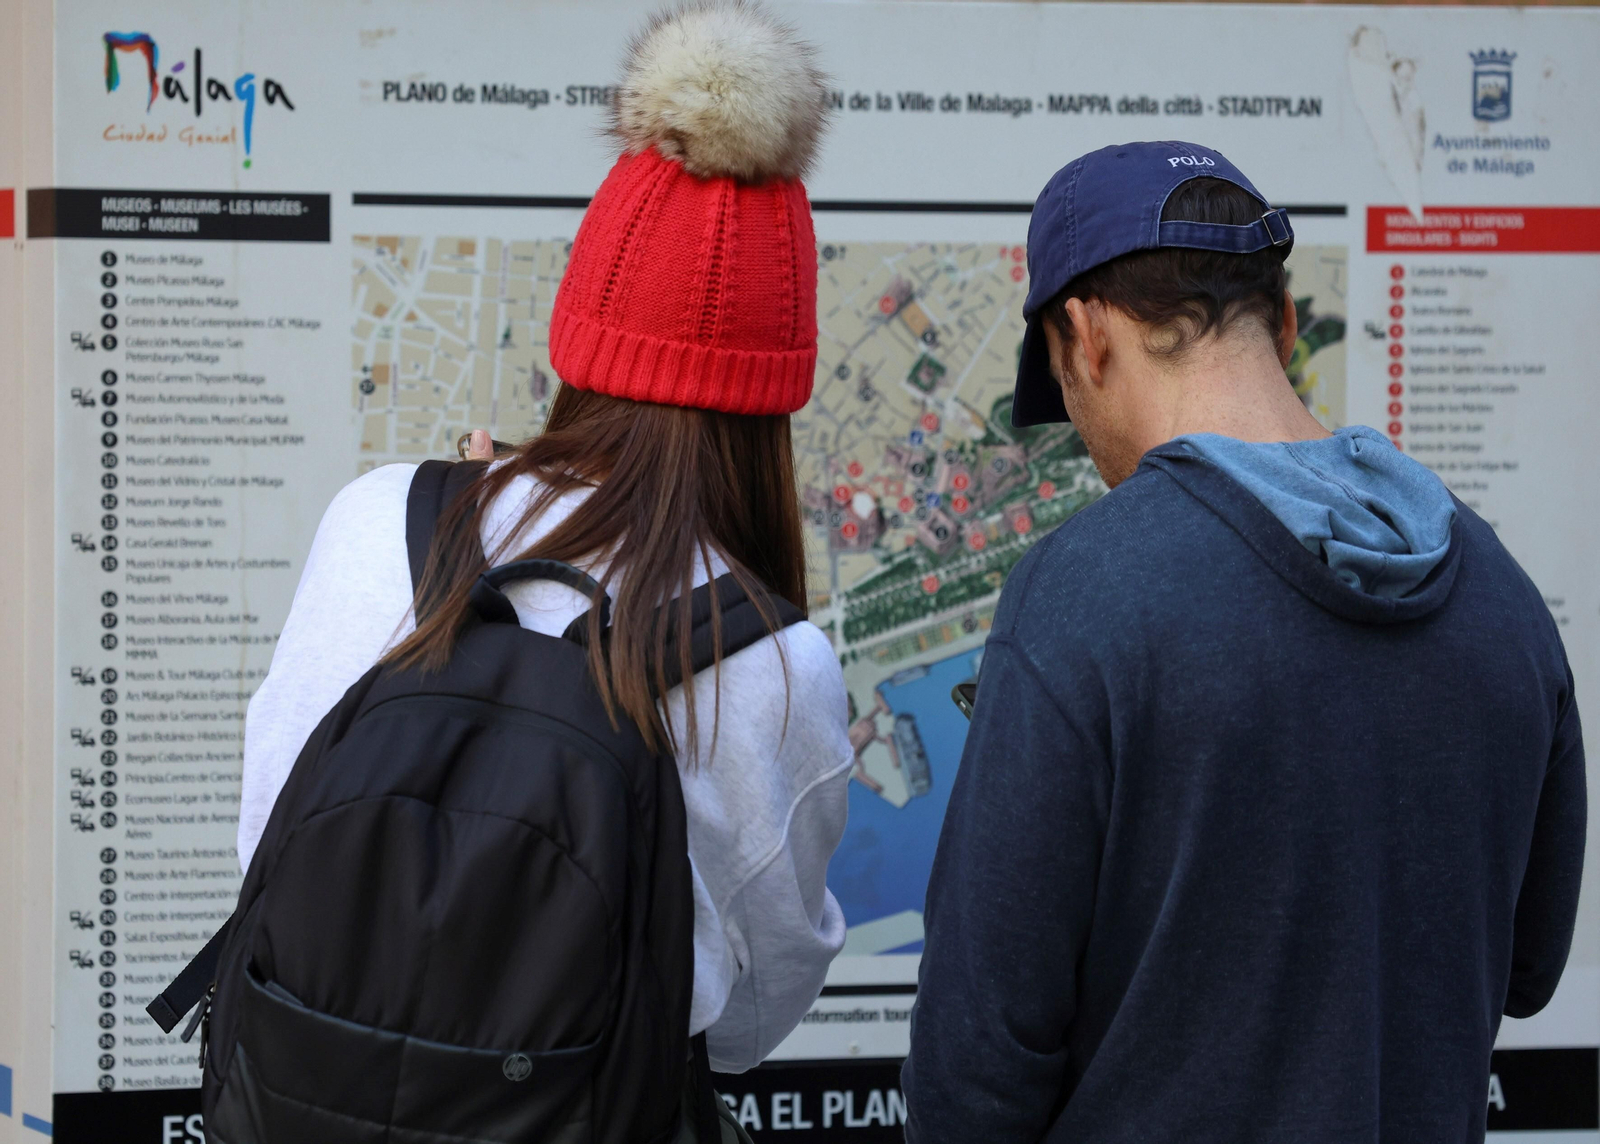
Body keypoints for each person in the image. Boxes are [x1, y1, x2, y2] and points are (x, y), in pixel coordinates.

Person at [903, 142, 1586, 1142]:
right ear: (1280, 318)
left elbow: (973, 1063)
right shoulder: (1498, 590)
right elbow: (1525, 971)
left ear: (1085, 338)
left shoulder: (1083, 594)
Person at [239, 0, 850, 1080]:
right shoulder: (779, 665)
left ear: (578, 338)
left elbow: (266, 853)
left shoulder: (383, 518)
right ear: (771, 404)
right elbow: (751, 1023)